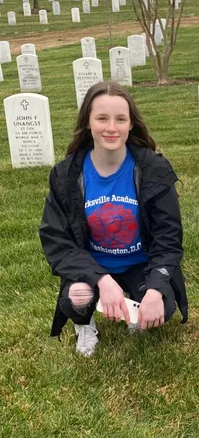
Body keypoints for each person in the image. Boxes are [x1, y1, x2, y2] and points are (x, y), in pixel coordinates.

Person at [39, 81, 188, 357]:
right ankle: (85, 324)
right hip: (92, 265)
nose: (111, 127)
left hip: (139, 264)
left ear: (131, 124)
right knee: (77, 298)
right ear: (88, 122)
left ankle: (133, 302)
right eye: (102, 118)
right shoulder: (67, 175)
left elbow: (168, 239)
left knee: (163, 308)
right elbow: (56, 240)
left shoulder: (152, 169)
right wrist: (102, 280)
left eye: (120, 119)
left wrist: (156, 288)